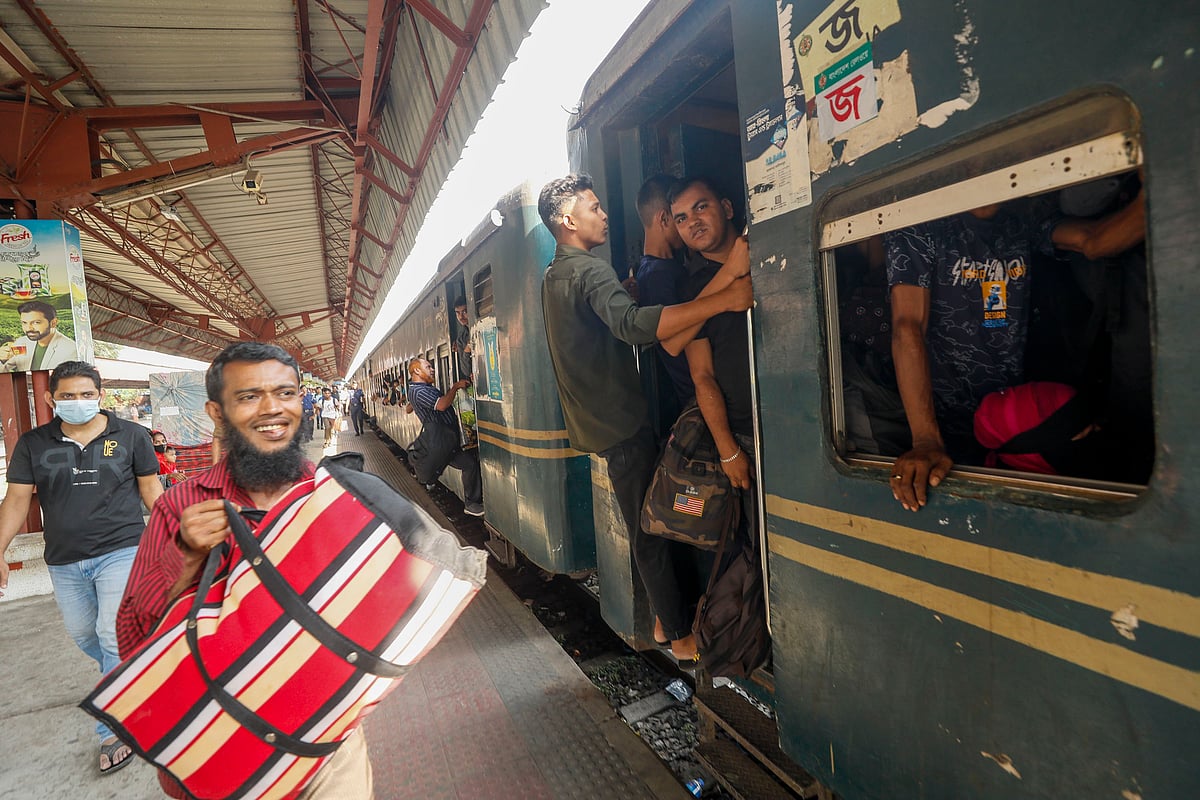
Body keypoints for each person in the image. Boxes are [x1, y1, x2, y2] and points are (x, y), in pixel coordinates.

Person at [116, 342, 374, 799]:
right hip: (221, 742)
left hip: (327, 743)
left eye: (286, 392)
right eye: (249, 396)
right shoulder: (181, 506)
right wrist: (185, 557)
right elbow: (133, 641)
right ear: (217, 412)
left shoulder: (332, 495)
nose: (272, 409)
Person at [538, 173, 753, 663]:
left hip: (598, 421)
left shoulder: (556, 274)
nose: (604, 214)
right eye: (593, 207)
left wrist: (626, 294)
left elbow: (605, 321)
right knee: (649, 530)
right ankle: (679, 635)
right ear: (569, 220)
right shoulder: (590, 271)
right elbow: (635, 329)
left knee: (651, 517)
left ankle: (663, 617)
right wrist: (723, 298)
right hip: (621, 422)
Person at [886, 188, 1146, 511]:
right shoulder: (921, 226)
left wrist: (1154, 194)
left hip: (1008, 419)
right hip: (946, 424)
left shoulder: (1023, 217)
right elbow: (908, 326)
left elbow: (1092, 240)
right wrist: (925, 439)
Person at [0, 361, 162, 775]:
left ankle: (113, 729)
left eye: (86, 394)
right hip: (64, 559)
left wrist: (175, 537)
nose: (78, 402)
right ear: (51, 399)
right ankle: (138, 673)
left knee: (111, 633)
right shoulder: (34, 444)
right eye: (67, 396)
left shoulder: (131, 435)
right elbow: (17, 500)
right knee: (87, 636)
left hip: (122, 549)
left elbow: (151, 490)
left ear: (100, 394)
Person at [634, 175, 694, 416]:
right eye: (680, 216)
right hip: (697, 394)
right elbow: (676, 345)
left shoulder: (657, 269)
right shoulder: (657, 275)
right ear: (664, 218)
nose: (688, 224)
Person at [407, 358, 484, 516]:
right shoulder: (418, 391)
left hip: (446, 438)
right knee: (466, 464)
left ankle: (468, 500)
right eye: (428, 366)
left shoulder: (423, 388)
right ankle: (469, 502)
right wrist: (455, 387)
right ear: (417, 371)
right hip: (440, 439)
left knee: (468, 465)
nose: (432, 369)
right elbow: (441, 405)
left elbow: (411, 406)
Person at [0, 301, 79, 372]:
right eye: (24, 323)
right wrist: (1, 360)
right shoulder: (21, 343)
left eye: (36, 322)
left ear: (53, 323)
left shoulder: (71, 350)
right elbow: (4, 370)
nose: (28, 328)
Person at [451, 297, 473, 379]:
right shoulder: (461, 338)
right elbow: (466, 371)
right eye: (457, 313)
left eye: (464, 312)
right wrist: (467, 349)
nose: (461, 317)